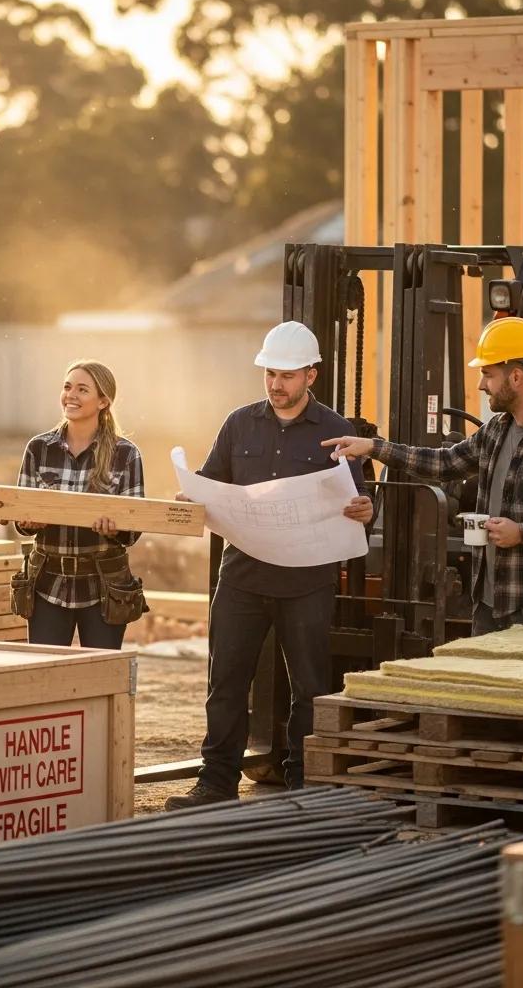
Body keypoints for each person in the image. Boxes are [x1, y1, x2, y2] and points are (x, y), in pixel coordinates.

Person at [164, 321, 373, 809]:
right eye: (269, 374)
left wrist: (365, 509)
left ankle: (303, 783)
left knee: (310, 684)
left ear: (311, 376)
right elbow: (214, 481)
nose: (276, 385)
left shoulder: (336, 432)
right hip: (243, 576)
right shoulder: (239, 423)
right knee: (226, 680)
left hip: (307, 581)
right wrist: (191, 494)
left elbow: (361, 501)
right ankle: (216, 782)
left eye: (286, 376)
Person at [322, 316, 523, 637]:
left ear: (515, 376)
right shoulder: (497, 431)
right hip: (489, 604)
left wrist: (522, 533)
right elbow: (444, 463)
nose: (482, 384)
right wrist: (374, 446)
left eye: (487, 374)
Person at [11, 360, 146, 650]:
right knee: (45, 674)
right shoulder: (38, 449)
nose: (71, 395)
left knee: (100, 677)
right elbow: (19, 516)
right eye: (67, 386)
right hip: (48, 583)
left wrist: (115, 529)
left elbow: (134, 530)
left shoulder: (126, 454)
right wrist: (28, 521)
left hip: (103, 585)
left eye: (82, 389)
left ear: (103, 401)